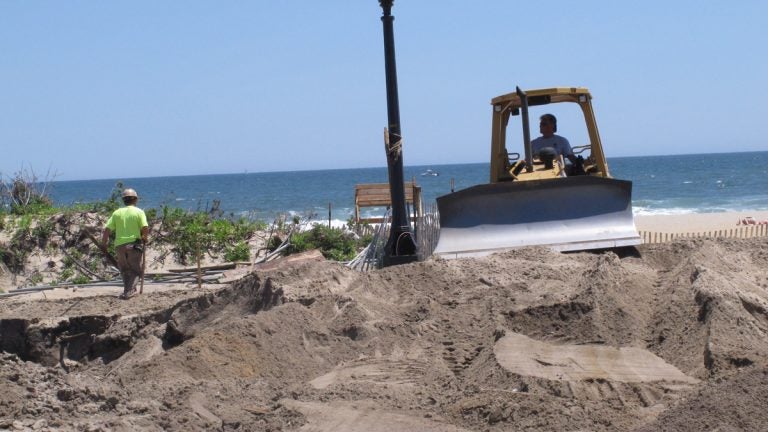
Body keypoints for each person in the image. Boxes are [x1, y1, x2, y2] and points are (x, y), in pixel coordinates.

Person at [102, 188, 149, 299]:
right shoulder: (139, 212)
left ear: (124, 200)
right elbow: (145, 227)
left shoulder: (117, 213)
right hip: (133, 245)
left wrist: (104, 243)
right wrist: (144, 238)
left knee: (124, 269)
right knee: (136, 270)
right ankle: (130, 291)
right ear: (135, 200)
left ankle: (127, 290)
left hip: (119, 246)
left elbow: (107, 229)